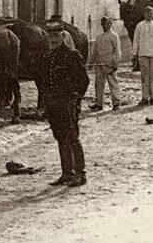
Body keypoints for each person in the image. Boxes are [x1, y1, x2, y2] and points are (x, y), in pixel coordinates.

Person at [41, 20, 90, 187]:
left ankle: (80, 174)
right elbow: (45, 82)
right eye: (50, 37)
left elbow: (83, 81)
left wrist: (75, 99)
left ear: (63, 36)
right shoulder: (48, 58)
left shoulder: (72, 55)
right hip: (54, 104)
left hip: (68, 103)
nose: (53, 40)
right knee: (60, 138)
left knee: (72, 138)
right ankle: (66, 173)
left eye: (56, 36)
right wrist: (46, 100)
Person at [131, 6, 153, 106]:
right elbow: (135, 40)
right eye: (147, 13)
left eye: (151, 13)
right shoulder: (139, 26)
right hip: (143, 54)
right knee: (144, 76)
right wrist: (135, 54)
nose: (149, 15)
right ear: (144, 14)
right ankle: (145, 98)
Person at [90, 17, 122, 111]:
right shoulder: (99, 36)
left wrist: (116, 63)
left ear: (110, 24)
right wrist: (92, 62)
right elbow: (95, 50)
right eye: (104, 24)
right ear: (102, 25)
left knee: (113, 83)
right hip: (99, 63)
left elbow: (117, 50)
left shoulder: (114, 36)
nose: (106, 25)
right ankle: (98, 103)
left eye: (108, 23)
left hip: (109, 63)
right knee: (98, 84)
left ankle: (116, 103)